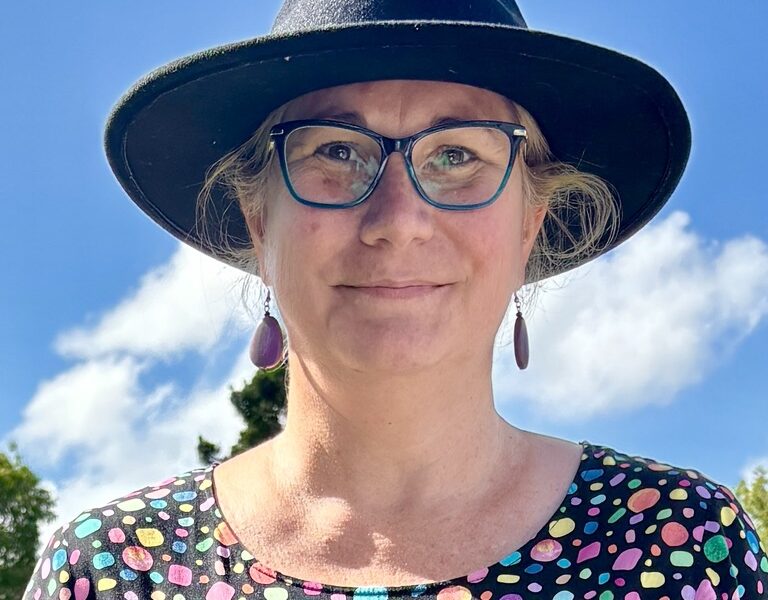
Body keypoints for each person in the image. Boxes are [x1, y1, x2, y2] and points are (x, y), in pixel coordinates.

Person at [24, 1, 768, 598]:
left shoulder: (685, 546)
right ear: (258, 222)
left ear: (528, 226)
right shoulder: (114, 571)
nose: (397, 220)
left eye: (457, 155)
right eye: (334, 152)